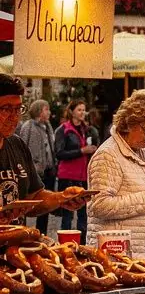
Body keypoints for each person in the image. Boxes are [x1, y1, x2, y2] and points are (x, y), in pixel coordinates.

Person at [87, 90, 145, 258]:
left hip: (139, 252)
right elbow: (99, 206)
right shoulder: (108, 154)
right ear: (129, 124)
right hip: (115, 254)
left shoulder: (142, 151)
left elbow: (143, 197)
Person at [0, 74, 87, 224]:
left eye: (18, 109)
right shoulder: (30, 129)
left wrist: (62, 197)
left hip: (15, 244)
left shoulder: (17, 145)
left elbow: (34, 197)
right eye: (7, 109)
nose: (14, 117)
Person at [55, 98, 94, 237]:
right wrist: (81, 151)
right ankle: (65, 243)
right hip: (67, 176)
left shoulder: (87, 129)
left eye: (84, 110)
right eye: (79, 110)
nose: (82, 112)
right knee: (68, 215)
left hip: (82, 176)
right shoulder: (63, 129)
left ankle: (82, 244)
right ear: (72, 112)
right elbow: (59, 153)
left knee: (83, 214)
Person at [17, 99, 56, 236]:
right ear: (39, 111)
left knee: (45, 205)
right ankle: (24, 232)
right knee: (28, 203)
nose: (49, 112)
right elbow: (22, 146)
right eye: (46, 109)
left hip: (48, 170)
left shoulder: (48, 126)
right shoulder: (28, 126)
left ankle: (42, 232)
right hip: (33, 170)